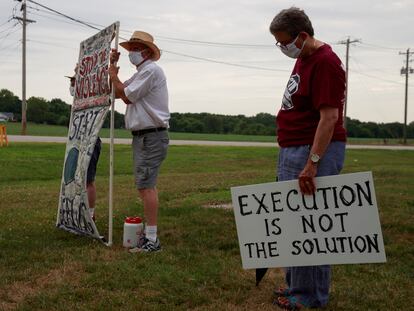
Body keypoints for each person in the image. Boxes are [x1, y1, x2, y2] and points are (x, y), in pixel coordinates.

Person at [269, 7, 347, 310]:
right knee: (293, 223)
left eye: (284, 42)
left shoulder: (326, 62)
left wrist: (312, 162)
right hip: (293, 147)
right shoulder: (304, 58)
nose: (282, 48)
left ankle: (310, 297)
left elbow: (329, 117)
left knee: (311, 225)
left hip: (310, 149)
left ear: (302, 36)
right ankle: (296, 287)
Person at [108, 31, 170, 253]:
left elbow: (126, 96)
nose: (131, 53)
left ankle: (152, 239)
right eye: (130, 49)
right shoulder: (141, 72)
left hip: (151, 136)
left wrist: (114, 74)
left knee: (146, 186)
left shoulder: (151, 70)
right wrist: (112, 68)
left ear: (146, 52)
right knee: (144, 185)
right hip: (144, 136)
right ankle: (150, 235)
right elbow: (116, 92)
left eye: (135, 49)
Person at [67, 74, 102, 221]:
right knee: (74, 178)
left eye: (75, 81)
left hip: (90, 140)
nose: (72, 85)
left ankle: (90, 213)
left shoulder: (91, 97)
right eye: (71, 82)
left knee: (88, 180)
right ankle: (78, 210)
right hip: (78, 140)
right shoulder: (78, 100)